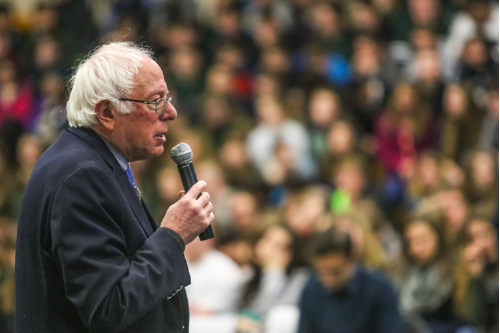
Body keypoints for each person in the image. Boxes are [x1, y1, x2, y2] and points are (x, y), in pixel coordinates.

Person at [15, 42, 215, 333]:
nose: (170, 112)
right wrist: (173, 236)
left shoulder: (87, 162)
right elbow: (109, 307)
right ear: (107, 112)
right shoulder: (82, 177)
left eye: (167, 98)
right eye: (155, 101)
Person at [299, 227, 404, 333]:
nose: (328, 279)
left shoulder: (379, 289)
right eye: (322, 272)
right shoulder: (311, 290)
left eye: (336, 272)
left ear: (351, 260)